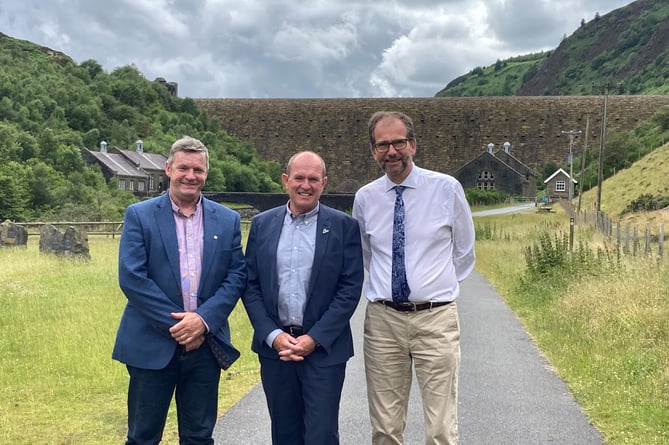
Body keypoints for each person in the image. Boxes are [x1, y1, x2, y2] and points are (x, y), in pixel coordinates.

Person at [112, 136, 247, 445]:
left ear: (206, 173)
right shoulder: (139, 215)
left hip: (205, 346)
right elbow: (132, 278)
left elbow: (236, 276)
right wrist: (182, 325)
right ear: (169, 169)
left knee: (199, 436)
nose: (191, 175)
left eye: (198, 169)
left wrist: (202, 321)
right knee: (143, 436)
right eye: (183, 167)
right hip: (151, 344)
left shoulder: (227, 220)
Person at [352, 111, 476, 445]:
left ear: (413, 145)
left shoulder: (446, 189)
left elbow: (464, 251)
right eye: (383, 145)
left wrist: (434, 289)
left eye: (398, 143)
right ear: (373, 151)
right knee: (386, 428)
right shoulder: (364, 198)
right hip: (383, 323)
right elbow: (366, 254)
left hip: (436, 319)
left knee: (440, 428)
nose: (391, 151)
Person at [242, 150, 364, 445]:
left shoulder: (343, 226)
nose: (305, 185)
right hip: (276, 351)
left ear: (324, 183)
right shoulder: (262, 224)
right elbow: (250, 284)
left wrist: (315, 338)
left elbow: (349, 288)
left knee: (321, 434)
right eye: (299, 177)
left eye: (313, 179)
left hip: (324, 352)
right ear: (286, 180)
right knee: (284, 434)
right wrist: (272, 335)